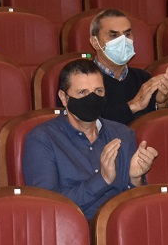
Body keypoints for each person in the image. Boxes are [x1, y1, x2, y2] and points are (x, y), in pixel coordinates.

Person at [22, 58, 157, 221]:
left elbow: (136, 206)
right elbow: (49, 207)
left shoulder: (123, 134)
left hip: (121, 230)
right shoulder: (42, 139)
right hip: (71, 233)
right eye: (82, 93)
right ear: (63, 98)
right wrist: (103, 179)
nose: (92, 99)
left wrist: (135, 179)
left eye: (98, 91)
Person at [85, 9, 168, 125]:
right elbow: (85, 125)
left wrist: (162, 104)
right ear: (95, 42)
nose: (123, 41)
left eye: (127, 34)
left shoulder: (143, 78)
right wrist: (133, 106)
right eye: (114, 35)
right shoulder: (80, 79)